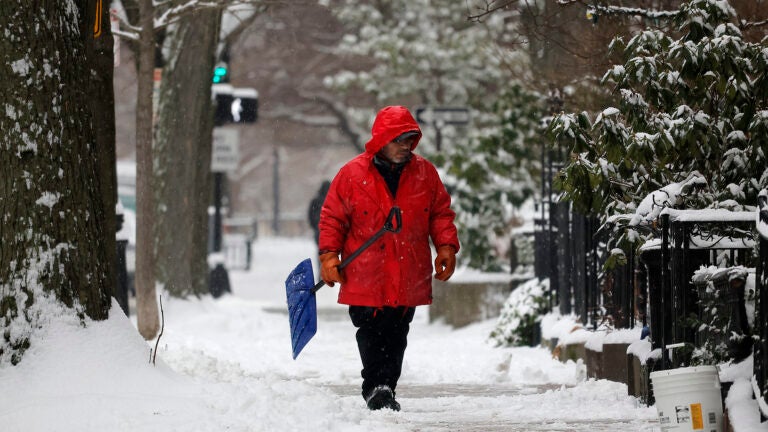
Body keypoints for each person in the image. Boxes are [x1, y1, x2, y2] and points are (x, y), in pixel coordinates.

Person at [317, 105, 459, 411]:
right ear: (381, 140)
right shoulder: (352, 175)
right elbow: (333, 218)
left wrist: (446, 246)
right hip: (365, 271)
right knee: (370, 329)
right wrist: (329, 255)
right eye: (398, 140)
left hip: (408, 269)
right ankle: (376, 386)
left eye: (410, 140)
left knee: (397, 331)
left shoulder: (425, 174)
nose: (405, 146)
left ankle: (386, 387)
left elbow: (440, 213)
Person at [308, 180, 331, 247]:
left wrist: (315, 226)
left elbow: (310, 215)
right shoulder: (333, 200)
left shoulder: (315, 201)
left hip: (319, 229)